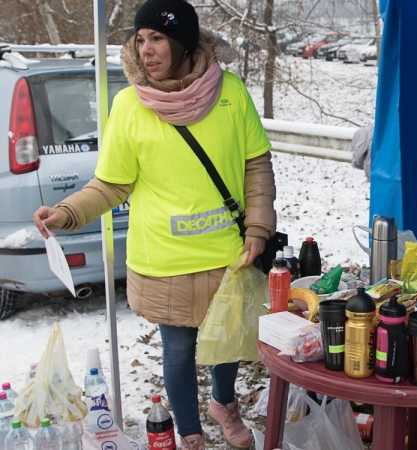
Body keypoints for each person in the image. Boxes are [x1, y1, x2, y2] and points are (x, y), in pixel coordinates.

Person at [32, 1, 276, 449]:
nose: (146, 50)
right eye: (139, 40)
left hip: (228, 253)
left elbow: (256, 167)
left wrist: (258, 229)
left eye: (158, 38)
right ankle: (189, 433)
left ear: (182, 43)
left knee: (226, 346)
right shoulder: (128, 105)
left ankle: (224, 403)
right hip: (164, 260)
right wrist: (67, 212)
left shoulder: (232, 93)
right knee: (180, 351)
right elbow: (110, 185)